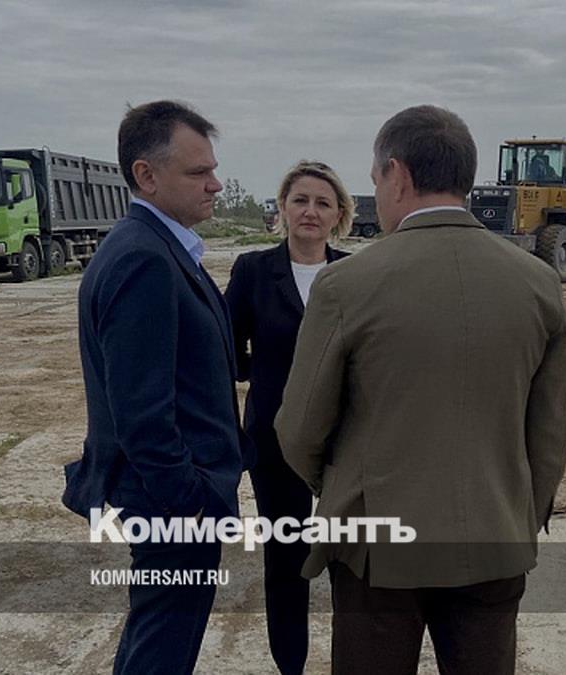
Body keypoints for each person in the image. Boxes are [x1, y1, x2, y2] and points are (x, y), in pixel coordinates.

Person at [275, 105, 566, 674]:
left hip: (377, 552)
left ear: (398, 174)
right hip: (494, 542)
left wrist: (346, 489)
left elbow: (299, 428)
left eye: (375, 181)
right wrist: (515, 514)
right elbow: (551, 433)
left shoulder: (345, 285)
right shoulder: (538, 282)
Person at [61, 99, 246, 675]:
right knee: (163, 646)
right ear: (146, 175)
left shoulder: (159, 247)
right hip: (171, 503)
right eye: (198, 172)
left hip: (172, 499)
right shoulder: (143, 258)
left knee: (159, 640)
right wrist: (190, 500)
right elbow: (141, 413)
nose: (215, 184)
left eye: (213, 169)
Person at [224, 160, 353, 674]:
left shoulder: (353, 274)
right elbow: (227, 349)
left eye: (323, 203)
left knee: (349, 556)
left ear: (339, 215)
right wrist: (267, 374)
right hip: (274, 439)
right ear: (282, 208)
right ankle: (291, 666)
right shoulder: (253, 270)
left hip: (346, 440)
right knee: (286, 557)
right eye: (300, 200)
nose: (310, 211)